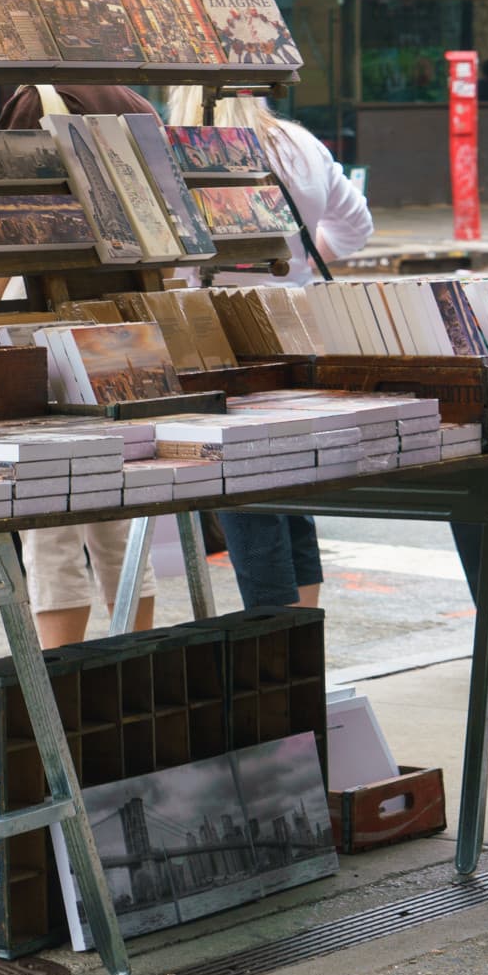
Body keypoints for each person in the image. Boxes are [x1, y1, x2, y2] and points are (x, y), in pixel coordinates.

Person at [163, 89, 372, 610]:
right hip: (296, 329)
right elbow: (356, 227)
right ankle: (302, 632)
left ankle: (273, 638)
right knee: (292, 484)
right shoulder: (300, 144)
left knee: (245, 489)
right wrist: (299, 262)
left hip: (217, 336)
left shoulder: (176, 150)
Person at [0, 85, 156, 648]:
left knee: (50, 518)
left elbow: (7, 217)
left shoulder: (38, 99)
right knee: (114, 509)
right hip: (130, 330)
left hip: (52, 330)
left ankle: (62, 678)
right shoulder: (135, 102)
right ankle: (131, 661)